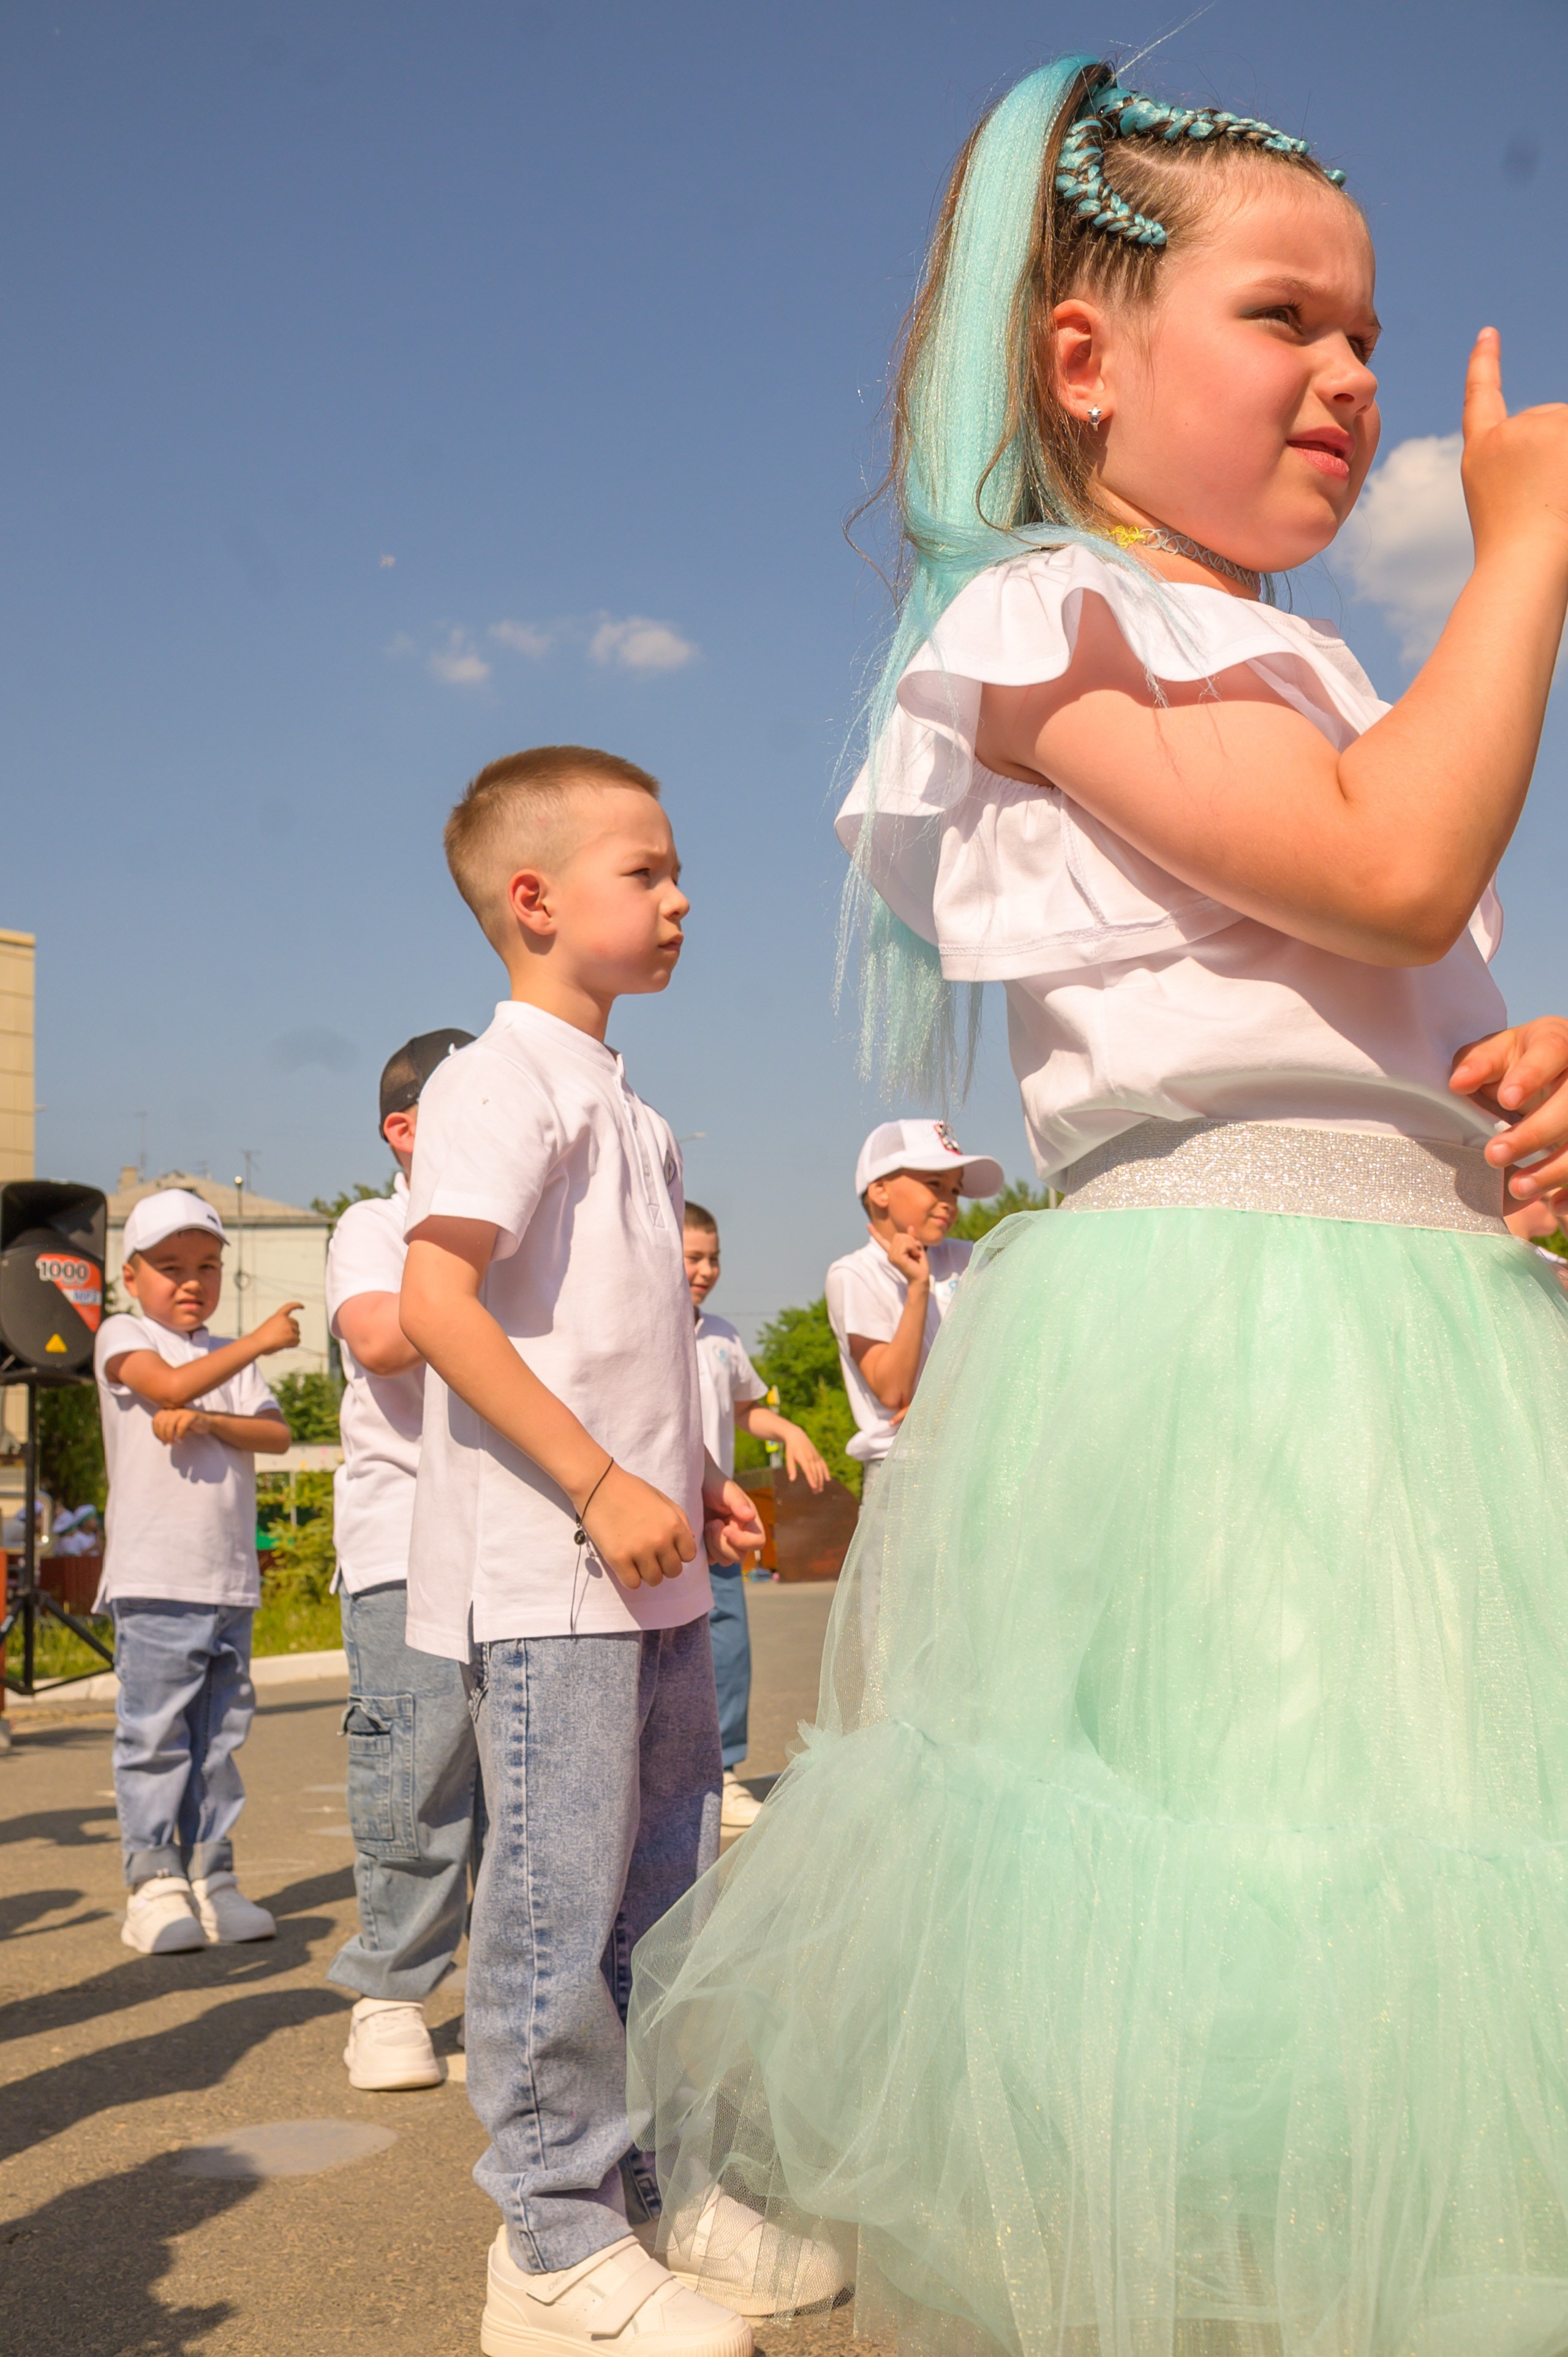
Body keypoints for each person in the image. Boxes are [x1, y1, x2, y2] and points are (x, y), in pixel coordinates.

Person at [627, 56, 1568, 2356]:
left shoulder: (1321, 657)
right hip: (1229, 1344)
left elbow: (1385, 975)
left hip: (1425, 1325)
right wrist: (1529, 543)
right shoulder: (1042, 629)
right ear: (1082, 360)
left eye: (1366, 330)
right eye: (1285, 319)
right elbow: (1384, 861)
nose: (1350, 375)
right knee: (1245, 1885)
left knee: (1416, 1901)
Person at [397, 745, 791, 2357]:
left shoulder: (632, 1101)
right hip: (556, 1574)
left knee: (658, 1881)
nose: (682, 893)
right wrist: (595, 1480)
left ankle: (640, 2187)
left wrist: (693, 1475)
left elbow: (635, 1328)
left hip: (652, 1568)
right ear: (539, 900)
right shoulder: (506, 1079)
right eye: (649, 869)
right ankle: (550, 2239)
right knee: (558, 1900)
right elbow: (439, 1300)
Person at [325, 1026, 482, 2093]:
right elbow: (382, 1338)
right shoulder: (376, 1224)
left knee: (526, 1785)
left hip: (516, 1541)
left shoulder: (509, 1233)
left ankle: (519, 2002)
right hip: (401, 1541)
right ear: (406, 1127)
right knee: (411, 1774)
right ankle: (389, 1993)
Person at [93, 1187, 298, 1954]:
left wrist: (210, 1420)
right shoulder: (123, 1333)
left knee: (217, 1740)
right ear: (131, 1275)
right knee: (154, 1734)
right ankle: (152, 1881)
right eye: (170, 1266)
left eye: (207, 1265)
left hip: (226, 1580)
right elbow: (167, 1386)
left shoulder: (221, 1357)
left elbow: (273, 1435)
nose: (191, 1282)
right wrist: (260, 1342)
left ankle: (214, 1877)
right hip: (155, 1578)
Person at [682, 1201, 828, 1833]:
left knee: (727, 1644)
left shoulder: (721, 1335)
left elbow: (746, 1409)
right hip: (654, 1512)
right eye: (693, 1256)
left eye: (714, 1257)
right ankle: (663, 1778)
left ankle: (722, 1771)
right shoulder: (640, 1323)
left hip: (718, 1515)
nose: (707, 1269)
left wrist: (787, 1427)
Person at [824, 1120, 1002, 1494]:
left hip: (974, 1458)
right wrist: (918, 1285)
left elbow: (1005, 1357)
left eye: (955, 1189)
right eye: (934, 1184)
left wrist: (942, 1404)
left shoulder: (970, 1258)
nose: (949, 1200)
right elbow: (893, 1392)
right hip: (902, 1473)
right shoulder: (853, 1273)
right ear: (880, 1191)